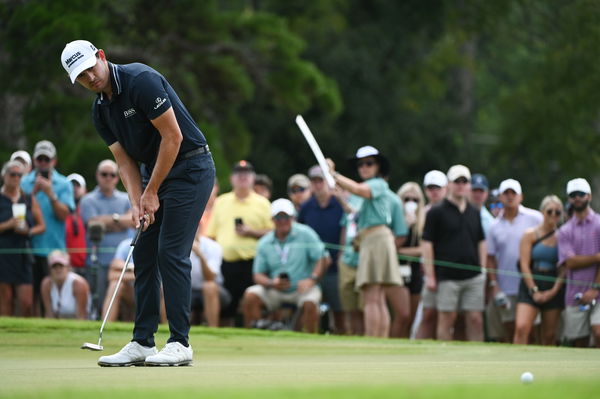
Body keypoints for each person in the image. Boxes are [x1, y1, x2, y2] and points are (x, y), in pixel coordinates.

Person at [62, 39, 215, 366]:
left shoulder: (140, 81)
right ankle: (143, 342)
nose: (90, 77)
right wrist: (136, 201)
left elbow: (172, 137)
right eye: (82, 76)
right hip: (153, 174)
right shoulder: (100, 111)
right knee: (144, 252)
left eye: (91, 67)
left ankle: (180, 343)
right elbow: (125, 162)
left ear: (101, 56)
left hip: (190, 167)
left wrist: (151, 191)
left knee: (170, 251)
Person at [328, 146, 403, 338]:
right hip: (371, 239)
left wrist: (334, 174)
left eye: (369, 163)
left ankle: (374, 340)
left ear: (378, 166)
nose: (364, 167)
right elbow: (356, 214)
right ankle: (380, 340)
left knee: (371, 296)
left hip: (376, 239)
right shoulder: (368, 189)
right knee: (376, 296)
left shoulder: (377, 184)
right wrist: (341, 199)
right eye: (361, 164)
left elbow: (358, 189)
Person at [242, 199, 327, 333]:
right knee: (251, 295)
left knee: (310, 302)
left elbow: (322, 258)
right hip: (275, 288)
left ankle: (310, 341)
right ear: (272, 219)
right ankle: (255, 335)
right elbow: (257, 275)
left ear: (293, 217)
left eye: (286, 216)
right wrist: (271, 282)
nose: (282, 221)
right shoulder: (265, 242)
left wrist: (312, 279)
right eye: (278, 217)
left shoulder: (306, 233)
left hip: (303, 287)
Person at [422, 165, 486, 341]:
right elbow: (427, 244)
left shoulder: (474, 211)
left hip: (473, 275)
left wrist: (482, 268)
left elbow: (481, 241)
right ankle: (444, 362)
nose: (461, 185)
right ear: (449, 184)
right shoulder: (436, 212)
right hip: (447, 276)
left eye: (464, 181)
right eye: (457, 181)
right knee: (447, 319)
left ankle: (477, 360)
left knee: (475, 319)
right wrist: (430, 275)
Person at [206, 160, 273, 325]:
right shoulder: (221, 202)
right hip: (225, 263)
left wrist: (252, 232)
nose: (242, 178)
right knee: (226, 308)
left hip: (252, 262)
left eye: (247, 174)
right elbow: (211, 235)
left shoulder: (262, 203)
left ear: (253, 178)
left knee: (248, 305)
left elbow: (273, 232)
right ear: (231, 179)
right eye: (239, 174)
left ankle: (251, 339)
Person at [21, 140, 75, 316]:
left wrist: (51, 194)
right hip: (29, 247)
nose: (43, 163)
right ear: (35, 161)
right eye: (40, 159)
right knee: (30, 298)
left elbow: (64, 215)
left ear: (54, 161)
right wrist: (34, 193)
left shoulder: (64, 183)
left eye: (47, 159)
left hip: (54, 249)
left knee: (50, 299)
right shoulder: (24, 182)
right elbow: (19, 212)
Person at [486, 179, 543, 342]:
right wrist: (494, 285)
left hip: (531, 285)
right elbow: (490, 258)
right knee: (510, 329)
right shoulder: (494, 226)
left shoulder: (535, 218)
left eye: (513, 193)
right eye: (506, 193)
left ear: (521, 196)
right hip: (506, 286)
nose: (510, 197)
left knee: (529, 329)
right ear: (500, 197)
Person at [79, 160, 133, 316]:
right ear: (97, 176)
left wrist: (108, 220)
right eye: (104, 174)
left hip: (121, 262)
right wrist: (120, 220)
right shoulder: (88, 200)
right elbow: (93, 224)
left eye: (112, 175)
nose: (108, 178)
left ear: (117, 177)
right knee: (99, 302)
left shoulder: (125, 198)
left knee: (126, 303)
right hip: (97, 261)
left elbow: (132, 221)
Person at [298, 165, 345, 333]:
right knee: (310, 308)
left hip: (335, 267)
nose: (318, 185)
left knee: (339, 311)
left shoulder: (339, 204)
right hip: (311, 268)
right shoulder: (306, 207)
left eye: (321, 181)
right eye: (314, 181)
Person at [514, 195, 565, 345]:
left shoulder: (563, 236)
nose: (553, 215)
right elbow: (524, 265)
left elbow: (564, 268)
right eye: (550, 211)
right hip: (531, 280)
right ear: (542, 212)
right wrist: (534, 291)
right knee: (522, 328)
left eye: (557, 212)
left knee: (549, 335)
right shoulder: (530, 234)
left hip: (553, 282)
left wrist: (553, 291)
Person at [557, 178, 600, 347]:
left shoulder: (599, 223)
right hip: (574, 294)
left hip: (598, 291)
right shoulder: (565, 230)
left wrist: (594, 289)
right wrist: (597, 257)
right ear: (569, 199)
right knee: (579, 343)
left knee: (598, 332)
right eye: (573, 195)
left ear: (588, 196)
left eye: (581, 194)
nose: (577, 198)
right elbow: (570, 262)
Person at [0, 161, 45, 316]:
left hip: (23, 252)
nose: (16, 178)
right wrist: (8, 225)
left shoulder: (28, 198)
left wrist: (29, 230)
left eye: (20, 175)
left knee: (26, 302)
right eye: (12, 174)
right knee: (5, 301)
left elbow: (41, 225)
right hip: (3, 253)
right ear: (3, 175)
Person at [416, 169, 448, 339]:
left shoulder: (453, 211)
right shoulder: (422, 212)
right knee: (428, 313)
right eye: (430, 188)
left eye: (438, 187)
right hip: (426, 272)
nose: (434, 191)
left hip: (447, 271)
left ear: (445, 188)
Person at [397, 182, 426, 337]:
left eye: (415, 200)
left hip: (415, 273)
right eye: (407, 199)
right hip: (396, 272)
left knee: (411, 318)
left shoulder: (423, 222)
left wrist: (401, 252)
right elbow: (391, 246)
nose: (411, 203)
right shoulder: (395, 220)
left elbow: (423, 250)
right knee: (402, 315)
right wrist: (405, 225)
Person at [190, 227, 231, 327]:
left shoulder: (213, 246)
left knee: (209, 286)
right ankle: (169, 331)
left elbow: (210, 277)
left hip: (215, 292)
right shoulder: (174, 245)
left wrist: (200, 255)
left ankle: (212, 328)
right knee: (169, 286)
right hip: (188, 290)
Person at [40, 250, 90, 319]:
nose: (58, 269)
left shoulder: (79, 284)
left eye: (61, 266)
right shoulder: (46, 284)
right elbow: (49, 314)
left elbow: (81, 317)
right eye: (54, 266)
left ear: (68, 267)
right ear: (50, 269)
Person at [102, 237, 136, 322]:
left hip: (155, 290)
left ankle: (168, 328)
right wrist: (132, 269)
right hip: (132, 292)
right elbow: (112, 275)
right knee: (115, 286)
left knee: (164, 288)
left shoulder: (161, 242)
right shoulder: (127, 244)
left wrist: (134, 272)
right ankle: (107, 326)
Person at [65, 173, 87, 273]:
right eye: (71, 185)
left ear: (85, 190)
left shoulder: (88, 210)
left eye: (78, 185)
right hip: (65, 265)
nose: (74, 188)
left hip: (88, 264)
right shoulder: (60, 211)